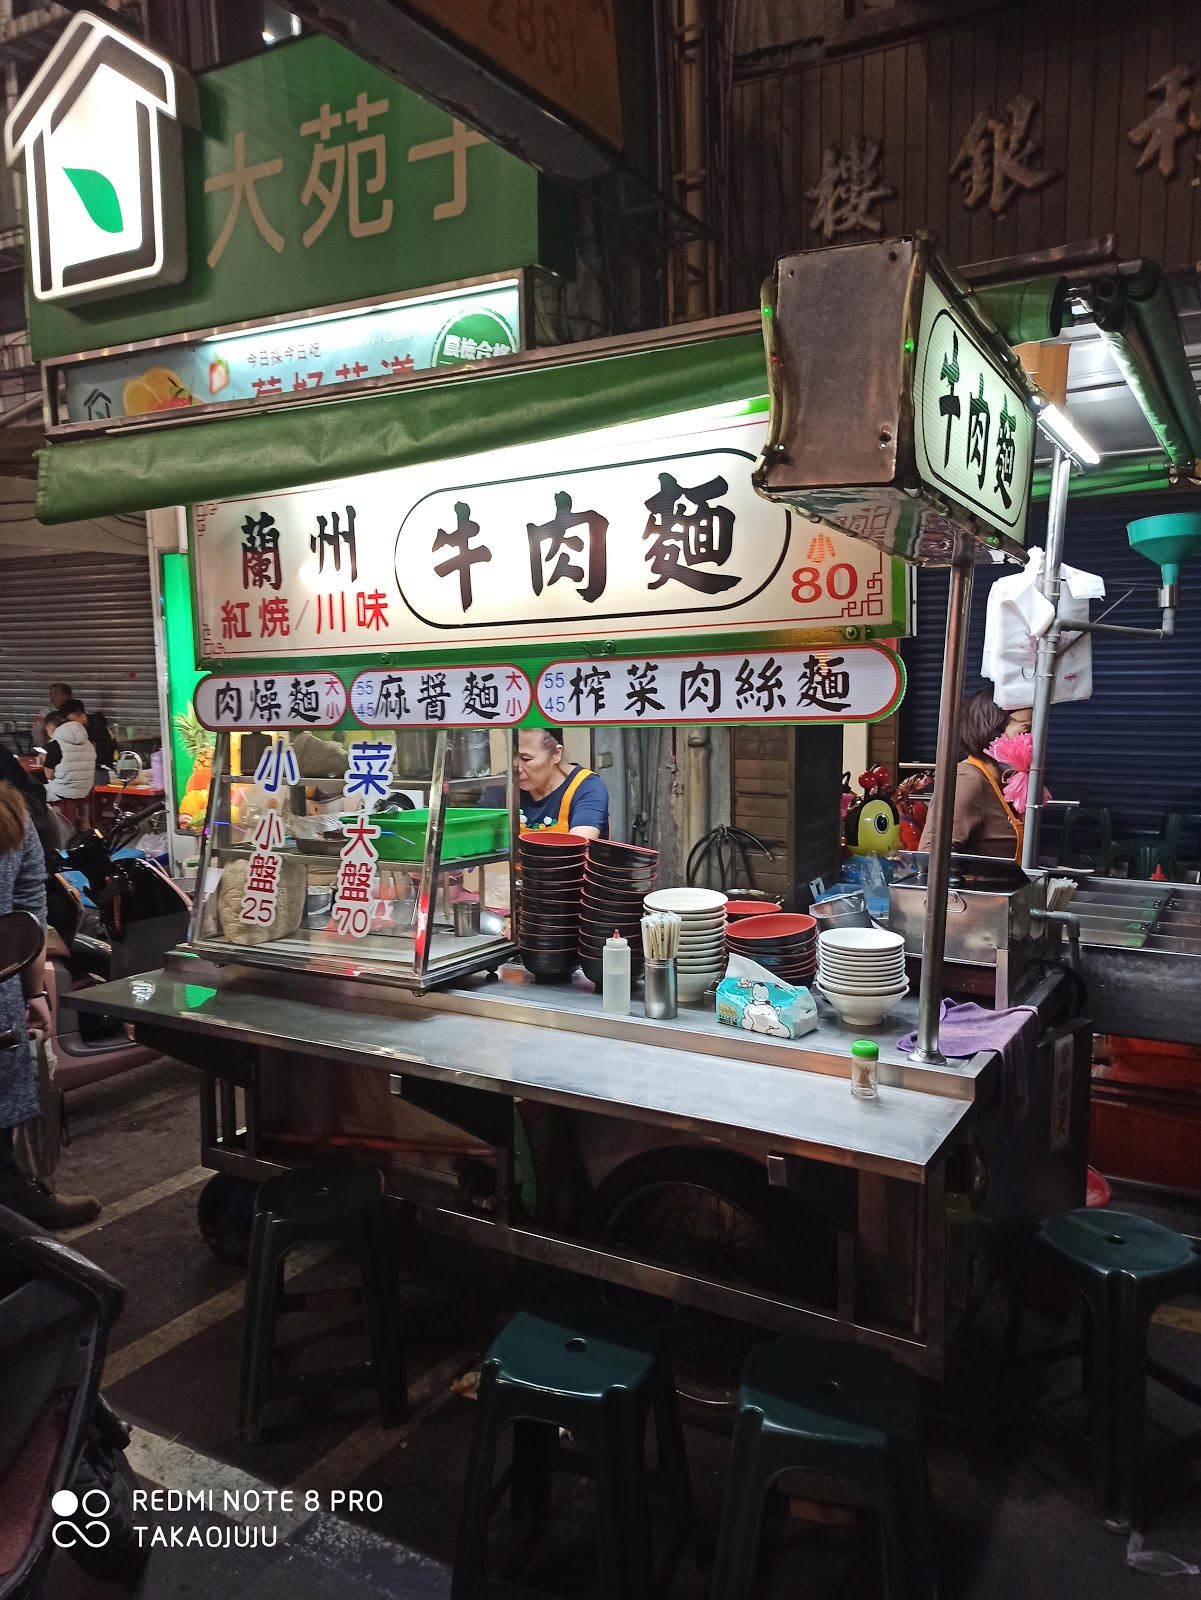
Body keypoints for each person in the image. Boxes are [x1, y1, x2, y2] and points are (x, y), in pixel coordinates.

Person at [0, 782, 99, 1226]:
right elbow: (29, 912)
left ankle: (15, 1197)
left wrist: (31, 992)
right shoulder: (10, 812)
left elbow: (28, 911)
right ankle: (15, 1206)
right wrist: (33, 993)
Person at [918, 689, 1032, 861]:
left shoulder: (1005, 780)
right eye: (1025, 731)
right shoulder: (968, 781)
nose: (1031, 741)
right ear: (994, 733)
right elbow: (931, 855)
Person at [510, 727, 610, 839]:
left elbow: (579, 844)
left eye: (526, 759)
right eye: (512, 755)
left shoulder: (587, 787)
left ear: (556, 754)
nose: (517, 767)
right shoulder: (506, 786)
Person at [43, 700, 96, 829]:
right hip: (85, 790)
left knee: (33, 794)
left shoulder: (56, 744)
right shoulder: (88, 742)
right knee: (80, 797)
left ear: (52, 728)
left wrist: (46, 760)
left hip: (63, 791)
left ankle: (53, 828)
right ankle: (84, 822)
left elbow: (49, 775)